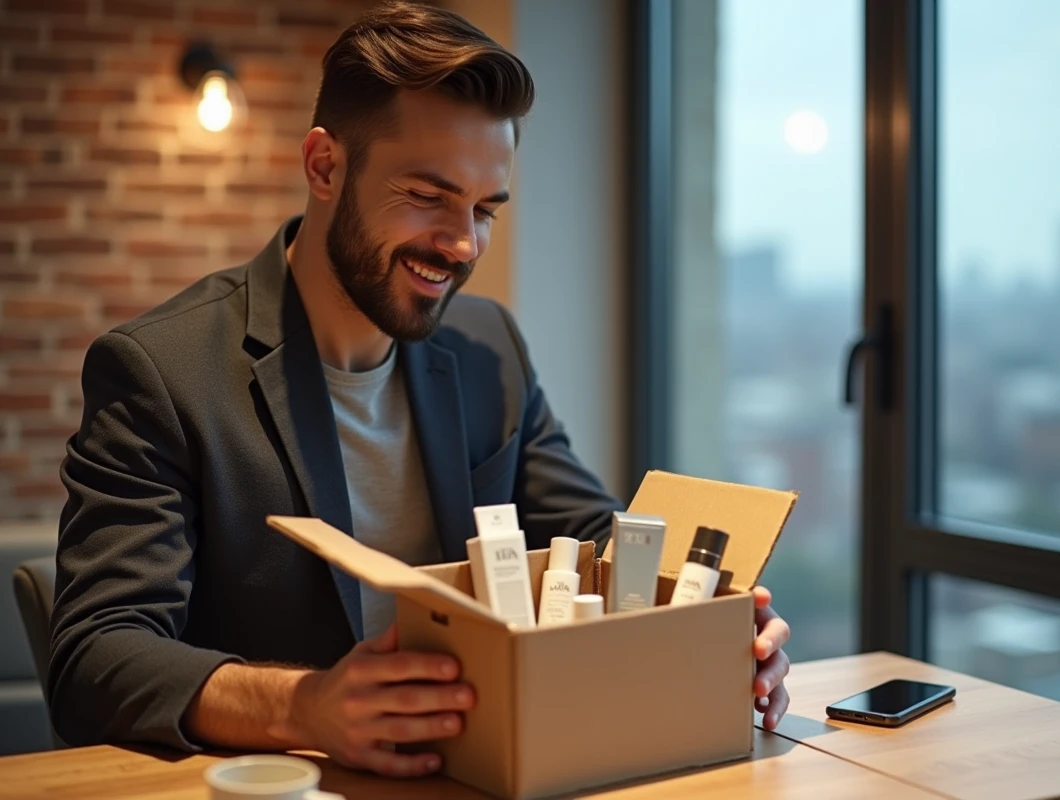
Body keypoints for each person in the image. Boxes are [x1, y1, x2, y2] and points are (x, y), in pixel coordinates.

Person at [48, 0, 791, 779]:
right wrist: (306, 705)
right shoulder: (160, 372)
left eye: (484, 208)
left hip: (483, 771)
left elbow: (594, 540)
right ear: (324, 167)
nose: (463, 243)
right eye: (429, 197)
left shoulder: (488, 346)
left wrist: (708, 624)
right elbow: (96, 656)